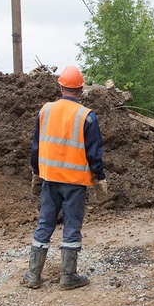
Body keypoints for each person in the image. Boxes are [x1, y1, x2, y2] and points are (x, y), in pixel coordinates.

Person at [24, 65, 108, 291]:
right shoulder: (86, 117)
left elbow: (36, 146)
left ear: (61, 87)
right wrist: (100, 178)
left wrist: (36, 173)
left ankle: (33, 274)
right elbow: (94, 152)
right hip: (75, 182)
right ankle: (68, 276)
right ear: (81, 89)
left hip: (50, 179)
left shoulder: (46, 111)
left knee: (45, 223)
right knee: (71, 226)